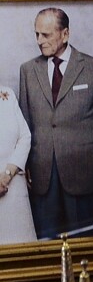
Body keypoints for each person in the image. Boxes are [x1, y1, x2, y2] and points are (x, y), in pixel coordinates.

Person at [19, 7, 93, 240]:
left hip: (83, 170)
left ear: (65, 34)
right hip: (42, 172)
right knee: (46, 238)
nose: (39, 41)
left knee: (83, 239)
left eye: (46, 35)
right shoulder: (28, 71)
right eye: (37, 35)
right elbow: (25, 123)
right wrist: (25, 166)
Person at [0, 84, 37, 244]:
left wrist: (7, 174)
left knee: (24, 254)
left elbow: (25, 136)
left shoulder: (6, 94)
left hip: (14, 186)